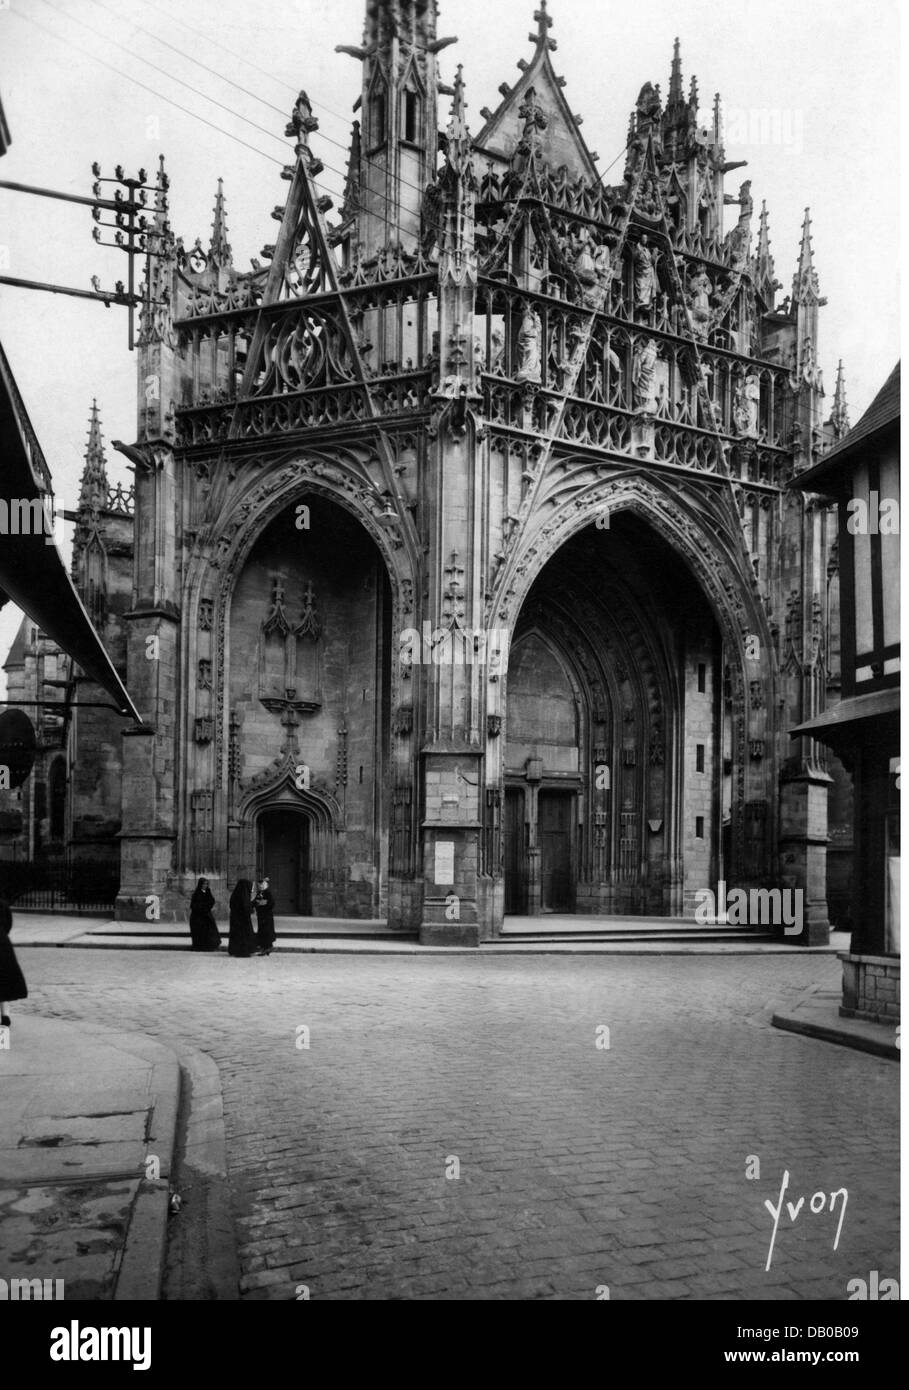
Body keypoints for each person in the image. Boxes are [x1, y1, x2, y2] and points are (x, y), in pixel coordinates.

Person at [0, 895, 28, 1029]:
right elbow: (8, 924)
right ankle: (4, 1019)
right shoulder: (2, 904)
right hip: (2, 945)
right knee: (3, 986)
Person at [189, 877, 221, 951]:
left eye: (206, 884)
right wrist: (201, 907)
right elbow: (193, 905)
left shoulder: (208, 892)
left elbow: (212, 901)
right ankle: (200, 946)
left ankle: (210, 946)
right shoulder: (197, 893)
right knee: (199, 931)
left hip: (206, 914)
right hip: (198, 916)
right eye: (204, 884)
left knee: (210, 930)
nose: (205, 885)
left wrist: (207, 906)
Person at [227, 879, 256, 958]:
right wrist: (253, 905)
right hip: (243, 920)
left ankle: (235, 950)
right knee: (243, 936)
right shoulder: (244, 895)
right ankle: (242, 951)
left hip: (235, 919)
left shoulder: (235, 894)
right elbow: (246, 907)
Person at [253, 877, 276, 956]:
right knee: (262, 931)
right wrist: (256, 903)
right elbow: (255, 901)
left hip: (267, 916)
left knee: (267, 931)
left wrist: (263, 903)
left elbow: (271, 903)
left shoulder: (268, 893)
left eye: (262, 885)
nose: (260, 887)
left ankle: (267, 947)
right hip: (261, 915)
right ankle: (263, 947)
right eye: (259, 885)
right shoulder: (259, 893)